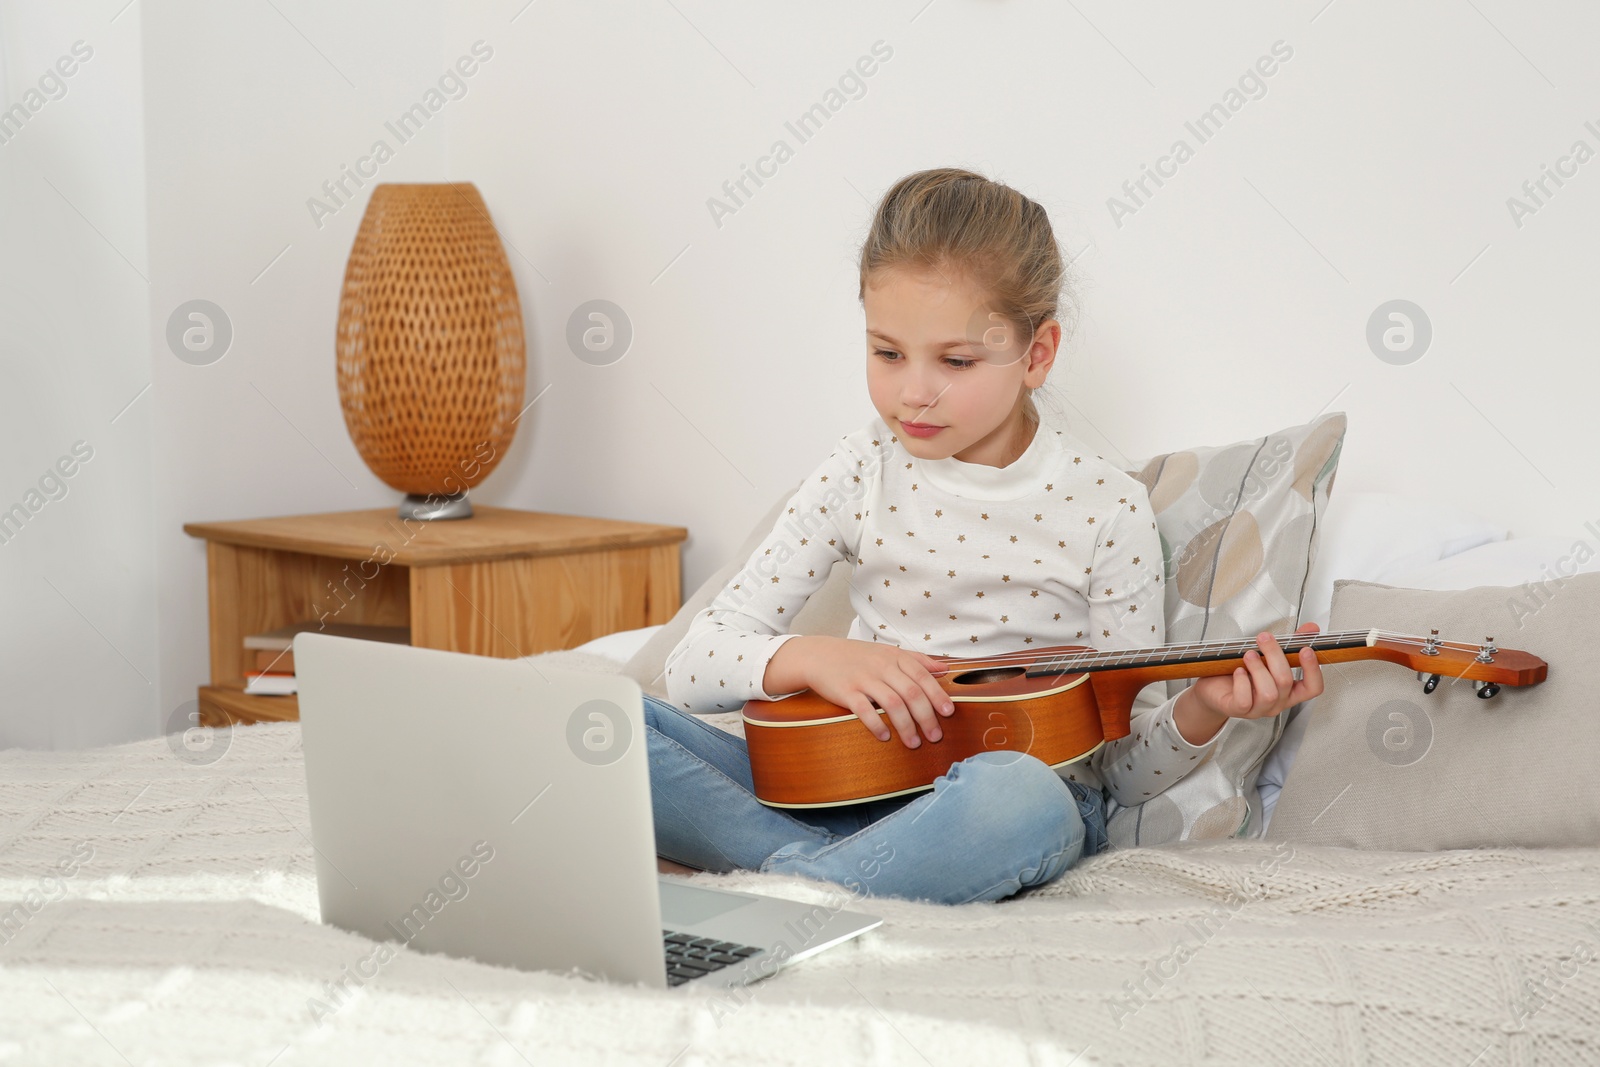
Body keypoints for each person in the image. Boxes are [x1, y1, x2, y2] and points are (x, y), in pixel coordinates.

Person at [643, 167, 1324, 906]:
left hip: (994, 807)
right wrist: (817, 656)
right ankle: (817, 877)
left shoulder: (1107, 508)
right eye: (887, 352)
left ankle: (789, 880)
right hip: (836, 781)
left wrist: (1207, 706)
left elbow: (1123, 773)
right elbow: (691, 668)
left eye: (956, 361)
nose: (913, 391)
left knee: (1019, 797)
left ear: (1036, 354)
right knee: (605, 727)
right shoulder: (861, 468)